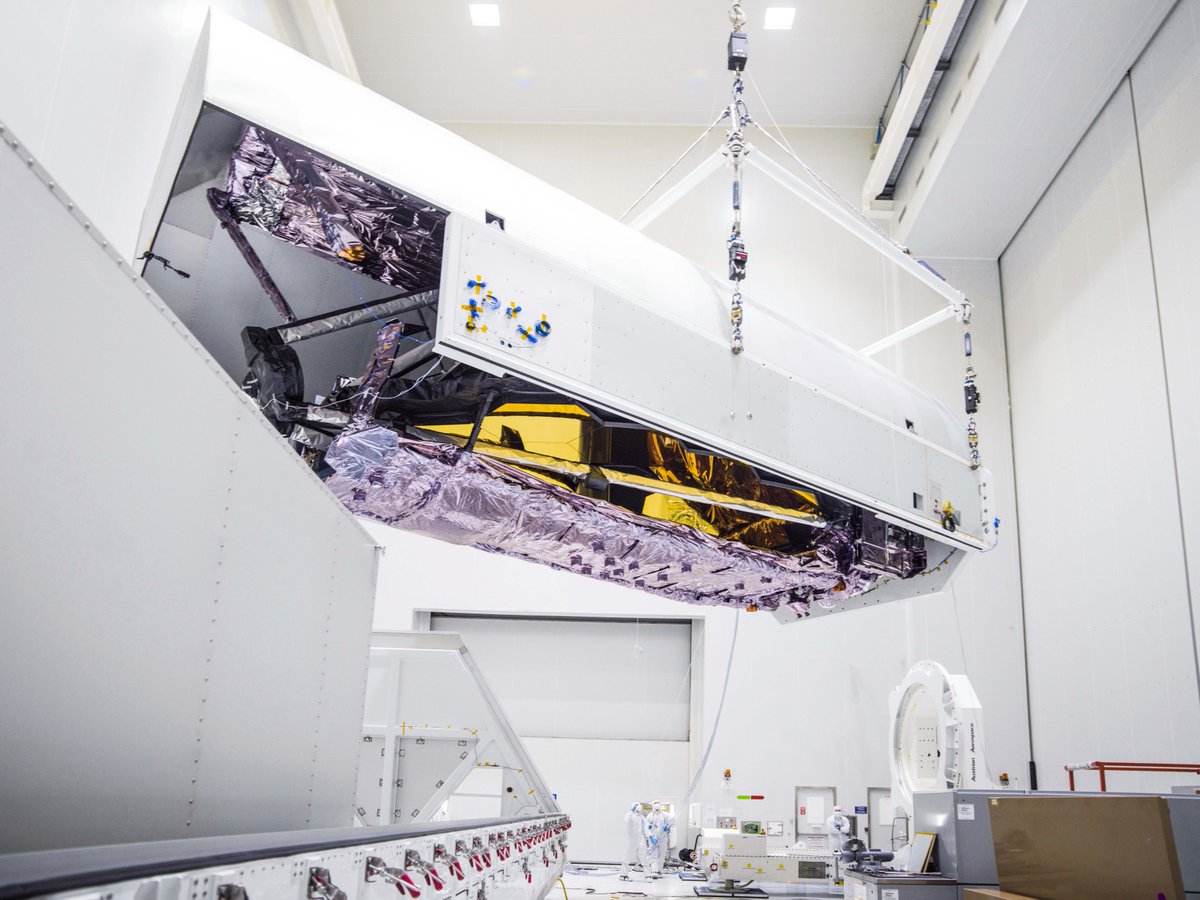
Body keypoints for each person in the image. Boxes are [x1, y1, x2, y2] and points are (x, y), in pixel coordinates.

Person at [619, 802, 645, 879]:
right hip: (631, 840)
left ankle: (648, 875)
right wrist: (631, 811)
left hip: (639, 840)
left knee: (644, 857)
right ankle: (623, 874)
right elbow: (627, 820)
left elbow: (645, 826)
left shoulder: (641, 817)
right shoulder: (630, 816)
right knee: (627, 857)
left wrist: (649, 835)